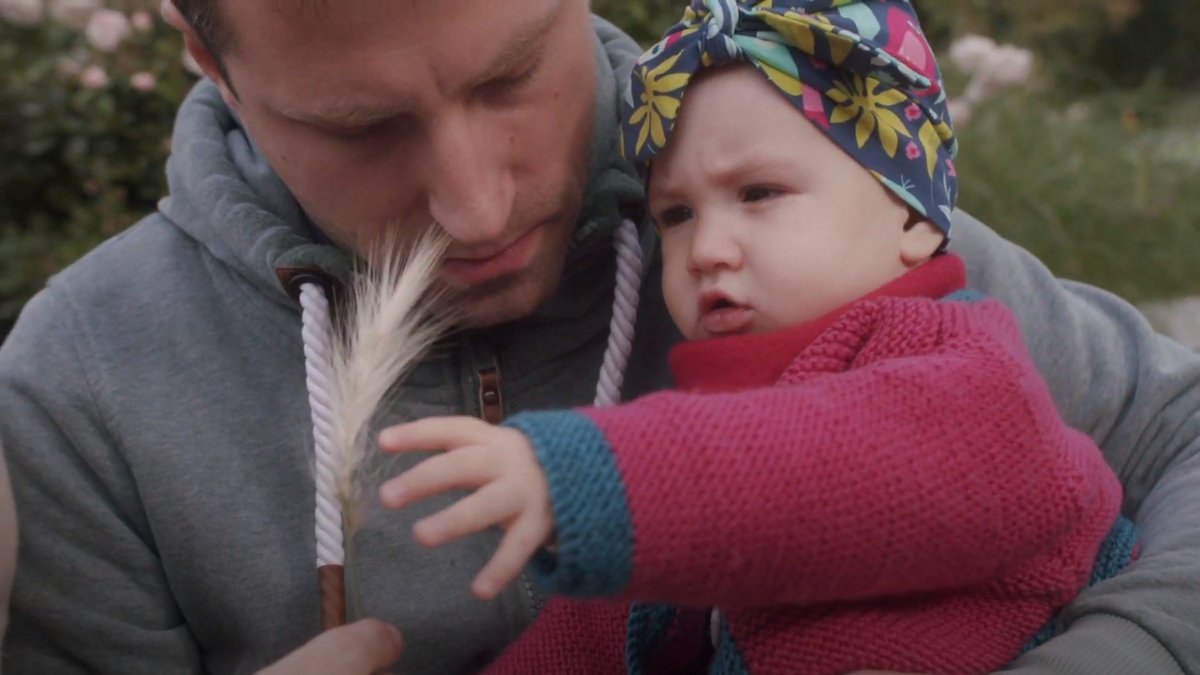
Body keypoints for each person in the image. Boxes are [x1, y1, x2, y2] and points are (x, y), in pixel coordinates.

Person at [0, 0, 1196, 673]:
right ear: (207, 58)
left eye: (512, 75)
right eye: (361, 129)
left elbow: (1168, 429)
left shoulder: (815, 207)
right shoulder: (78, 391)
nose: (478, 209)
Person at [373, 2, 1136, 672]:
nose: (707, 248)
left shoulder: (959, 364)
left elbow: (841, 461)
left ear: (912, 215)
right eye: (676, 214)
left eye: (759, 193)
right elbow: (605, 623)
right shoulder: (724, 418)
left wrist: (587, 478)